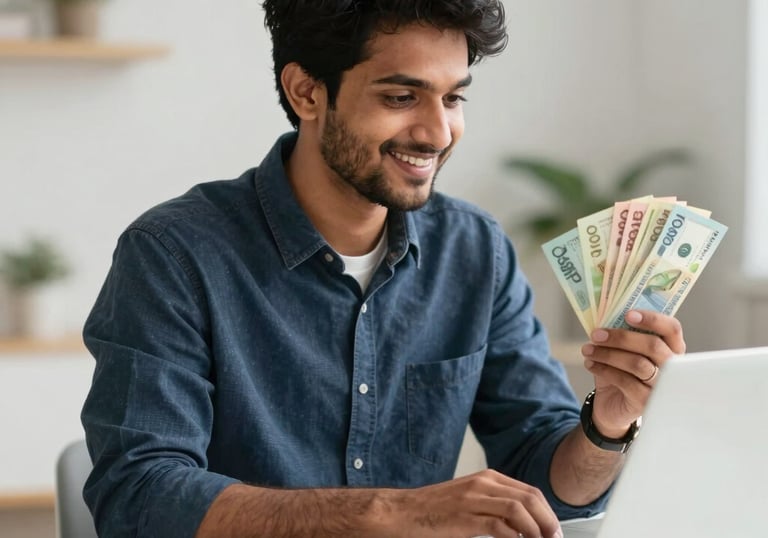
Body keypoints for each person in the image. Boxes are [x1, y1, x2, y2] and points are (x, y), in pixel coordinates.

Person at [80, 1, 686, 537]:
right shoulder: (173, 253)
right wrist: (394, 514)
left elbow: (546, 482)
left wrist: (607, 424)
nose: (437, 131)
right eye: (400, 97)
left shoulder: (476, 251)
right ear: (307, 92)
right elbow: (139, 499)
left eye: (453, 97)